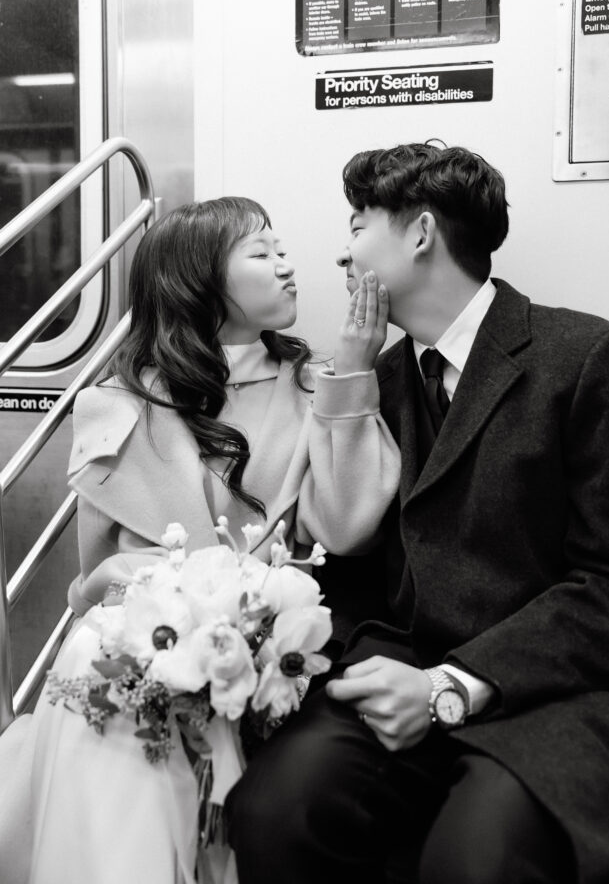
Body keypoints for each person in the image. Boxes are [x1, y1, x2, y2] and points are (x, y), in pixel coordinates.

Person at [226, 145, 609, 884]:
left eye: (356, 226)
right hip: (404, 665)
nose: (341, 255)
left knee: (478, 856)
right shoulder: (377, 376)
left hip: (556, 692)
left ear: (420, 233)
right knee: (275, 808)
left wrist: (454, 684)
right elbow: (344, 543)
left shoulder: (587, 356)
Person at [0, 196, 399, 884]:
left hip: (271, 640)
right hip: (134, 636)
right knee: (102, 647)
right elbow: (92, 579)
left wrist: (355, 371)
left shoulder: (315, 384)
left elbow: (343, 530)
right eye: (262, 253)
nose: (286, 266)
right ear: (201, 280)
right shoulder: (120, 403)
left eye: (282, 250)